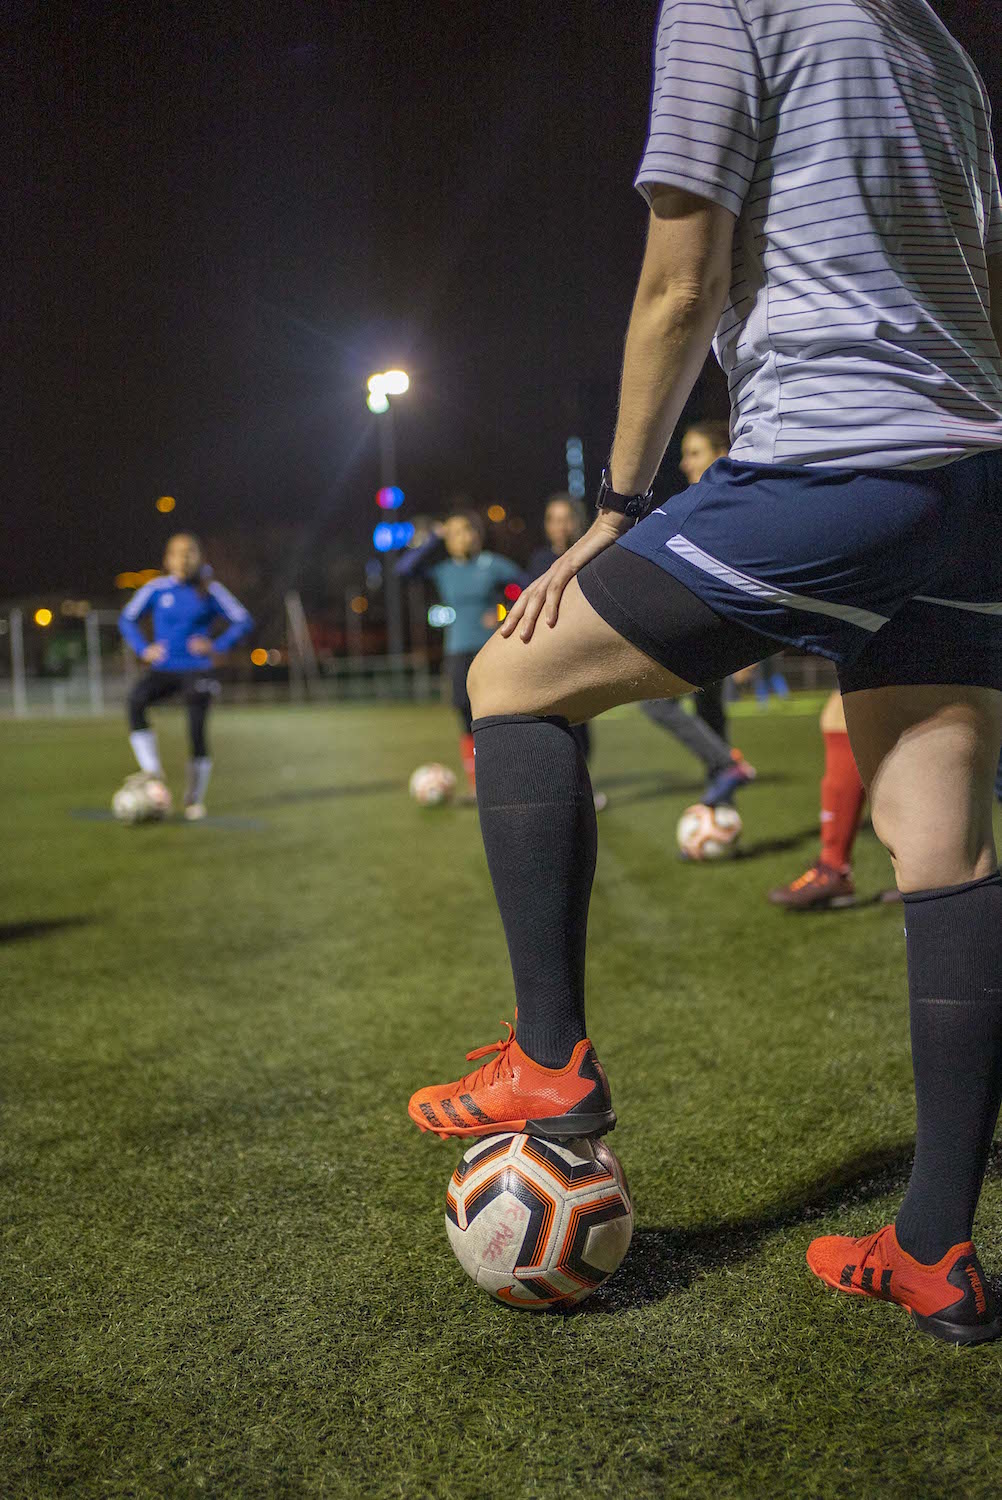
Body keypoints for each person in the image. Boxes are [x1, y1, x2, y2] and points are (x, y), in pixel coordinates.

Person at [408, 0, 1002, 1345]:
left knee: (509, 684)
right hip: (971, 476)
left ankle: (548, 1063)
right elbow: (989, 266)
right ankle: (930, 1254)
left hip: (831, 461)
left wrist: (619, 501)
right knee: (944, 850)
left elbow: (681, 277)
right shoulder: (932, 42)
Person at [639, 420, 757, 808]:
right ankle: (724, 814)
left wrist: (749, 643)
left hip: (713, 623)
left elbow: (750, 570)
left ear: (721, 455)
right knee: (710, 712)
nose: (685, 463)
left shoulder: (733, 504)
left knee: (656, 703)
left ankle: (725, 765)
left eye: (695, 453)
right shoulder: (703, 501)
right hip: (709, 623)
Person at [118, 533, 253, 819]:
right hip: (164, 669)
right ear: (168, 559)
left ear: (199, 557)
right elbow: (127, 619)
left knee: (196, 731)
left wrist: (217, 646)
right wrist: (144, 649)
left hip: (197, 669)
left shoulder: (210, 590)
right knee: (135, 700)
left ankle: (193, 799)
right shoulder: (156, 589)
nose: (184, 558)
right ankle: (152, 770)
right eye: (178, 553)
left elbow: (243, 620)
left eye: (190, 552)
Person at [397, 507, 524, 795]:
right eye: (453, 533)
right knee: (464, 715)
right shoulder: (444, 571)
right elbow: (404, 570)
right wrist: (433, 538)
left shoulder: (493, 565)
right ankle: (477, 785)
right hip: (457, 652)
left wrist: (506, 614)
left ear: (477, 534)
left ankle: (509, 775)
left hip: (491, 651)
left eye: (464, 530)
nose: (460, 537)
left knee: (499, 713)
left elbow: (529, 587)